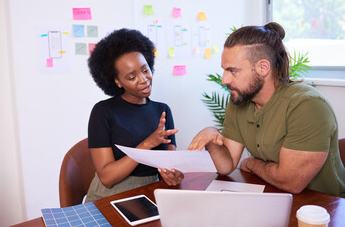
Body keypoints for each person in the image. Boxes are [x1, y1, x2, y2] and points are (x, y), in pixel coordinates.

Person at [189, 22, 345, 197]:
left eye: (233, 71)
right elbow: (226, 166)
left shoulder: (308, 106)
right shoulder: (239, 101)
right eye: (224, 70)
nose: (224, 80)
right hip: (272, 197)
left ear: (263, 68)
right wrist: (212, 136)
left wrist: (252, 164)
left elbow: (291, 182)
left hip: (326, 208)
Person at [85, 28, 184, 202]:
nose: (143, 80)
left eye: (145, 70)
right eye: (132, 77)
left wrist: (173, 175)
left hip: (153, 190)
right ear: (118, 82)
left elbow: (170, 165)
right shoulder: (103, 112)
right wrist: (148, 143)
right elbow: (107, 178)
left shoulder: (163, 110)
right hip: (111, 194)